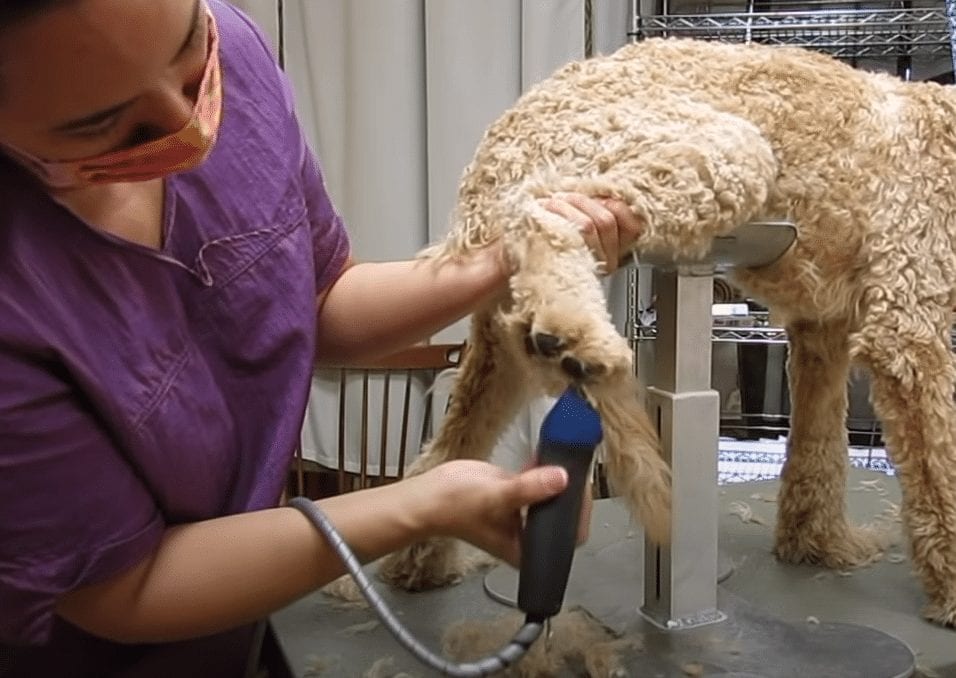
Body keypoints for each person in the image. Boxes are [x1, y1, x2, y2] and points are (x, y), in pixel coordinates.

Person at [0, 1, 644, 675]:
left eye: (192, 53)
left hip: (244, 628)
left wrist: (497, 260)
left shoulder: (239, 56)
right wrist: (420, 503)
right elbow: (118, 590)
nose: (189, 129)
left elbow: (320, 299)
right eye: (105, 125)